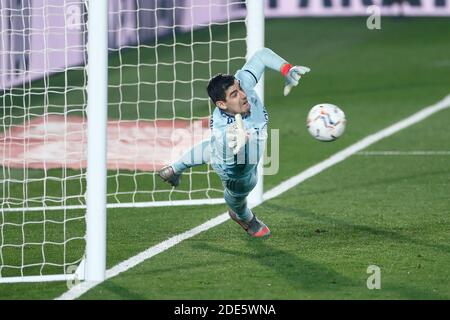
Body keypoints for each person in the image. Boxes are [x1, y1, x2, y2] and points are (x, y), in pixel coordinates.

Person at [159, 47, 310, 238]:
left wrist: (286, 69)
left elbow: (262, 55)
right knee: (240, 193)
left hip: (227, 148)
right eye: (234, 94)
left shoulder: (243, 85)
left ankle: (174, 168)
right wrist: (237, 148)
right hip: (235, 169)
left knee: (209, 150)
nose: (243, 94)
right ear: (222, 105)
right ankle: (245, 218)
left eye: (239, 88)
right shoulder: (224, 131)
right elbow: (228, 155)